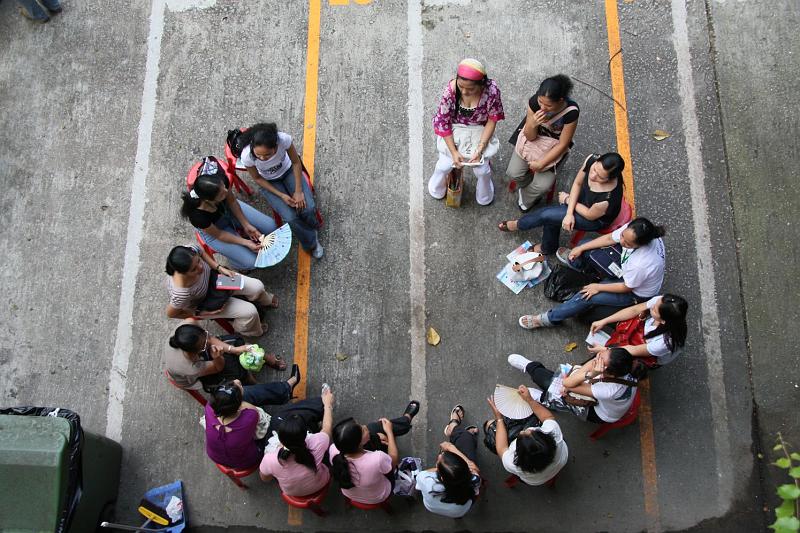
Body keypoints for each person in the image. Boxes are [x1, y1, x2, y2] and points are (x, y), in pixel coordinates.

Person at [519, 217, 666, 328]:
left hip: (634, 292)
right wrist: (581, 248)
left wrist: (598, 287)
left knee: (586, 295)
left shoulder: (642, 264)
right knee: (584, 246)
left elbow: (626, 287)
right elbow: (609, 238)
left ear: (640, 245)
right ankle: (588, 271)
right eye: (622, 236)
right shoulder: (635, 230)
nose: (621, 241)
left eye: (627, 243)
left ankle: (548, 319)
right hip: (629, 272)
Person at [498, 153, 625, 256]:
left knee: (547, 215)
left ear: (610, 179)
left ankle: (520, 225)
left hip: (594, 218)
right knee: (552, 217)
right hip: (584, 200)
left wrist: (568, 200)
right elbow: (577, 183)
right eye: (594, 169)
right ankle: (547, 247)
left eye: (600, 177)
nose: (592, 176)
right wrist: (569, 214)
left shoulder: (607, 199)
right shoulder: (592, 159)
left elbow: (589, 215)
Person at [428, 58, 505, 206]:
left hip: (480, 131)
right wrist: (453, 152)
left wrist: (480, 149)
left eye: (470, 89)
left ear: (481, 84)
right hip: (455, 129)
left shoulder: (491, 91)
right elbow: (443, 122)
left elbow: (492, 120)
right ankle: (437, 187)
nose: (464, 91)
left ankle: (484, 194)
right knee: (444, 165)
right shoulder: (450, 91)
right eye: (461, 86)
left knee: (482, 171)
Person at [241, 123, 324, 259]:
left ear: (275, 146)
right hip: (269, 182)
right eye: (258, 155)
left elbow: (296, 162)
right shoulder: (247, 156)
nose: (262, 158)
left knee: (308, 208)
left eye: (267, 155)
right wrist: (281, 195)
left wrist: (298, 191)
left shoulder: (283, 140)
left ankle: (312, 225)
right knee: (290, 218)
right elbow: (257, 178)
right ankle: (311, 242)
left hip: (289, 171)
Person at [181, 157, 277, 270]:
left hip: (228, 209)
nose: (226, 191)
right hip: (216, 231)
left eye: (224, 188)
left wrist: (246, 224)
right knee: (252, 262)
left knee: (271, 227)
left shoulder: (220, 182)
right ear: (208, 200)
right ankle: (238, 265)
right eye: (221, 195)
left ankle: (240, 237)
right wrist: (246, 242)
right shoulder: (198, 216)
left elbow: (232, 201)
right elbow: (219, 235)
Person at [164, 244, 277, 337]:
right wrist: (200, 313)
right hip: (208, 300)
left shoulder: (190, 250)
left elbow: (201, 252)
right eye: (194, 269)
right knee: (250, 312)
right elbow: (171, 314)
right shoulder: (181, 293)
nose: (200, 267)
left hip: (216, 279)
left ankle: (265, 301)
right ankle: (250, 330)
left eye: (198, 261)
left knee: (257, 286)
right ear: (182, 273)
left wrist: (219, 267)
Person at [508, 350, 647, 424]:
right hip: (608, 399)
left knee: (556, 388)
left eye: (600, 360)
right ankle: (532, 370)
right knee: (562, 383)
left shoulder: (608, 391)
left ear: (608, 372)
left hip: (599, 412)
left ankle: (541, 395)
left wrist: (591, 373)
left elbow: (567, 383)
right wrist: (586, 372)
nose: (597, 357)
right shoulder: (625, 365)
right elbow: (571, 381)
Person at [204, 372, 306, 469]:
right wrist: (241, 395)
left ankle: (285, 389)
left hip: (217, 457)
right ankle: (285, 389)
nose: (236, 381)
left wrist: (238, 397)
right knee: (276, 418)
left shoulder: (209, 407)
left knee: (245, 394)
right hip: (248, 460)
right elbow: (254, 410)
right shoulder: (249, 417)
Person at [508, 75, 579, 211]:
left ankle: (526, 196)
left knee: (542, 186)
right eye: (541, 102)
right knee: (513, 173)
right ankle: (528, 186)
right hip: (532, 140)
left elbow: (563, 144)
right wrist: (532, 124)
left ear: (560, 100)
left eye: (548, 105)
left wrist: (541, 164)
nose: (543, 107)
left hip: (552, 147)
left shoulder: (571, 112)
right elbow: (530, 137)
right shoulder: (534, 102)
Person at [329, 401, 420, 504]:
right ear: (359, 444)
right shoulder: (377, 459)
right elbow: (393, 461)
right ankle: (405, 420)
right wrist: (389, 433)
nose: (364, 426)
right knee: (378, 427)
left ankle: (404, 420)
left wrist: (375, 437)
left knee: (374, 428)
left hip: (354, 495)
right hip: (380, 494)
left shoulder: (333, 450)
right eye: (362, 430)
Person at [259, 384, 335, 496]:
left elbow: (265, 478)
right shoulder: (317, 443)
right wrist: (327, 404)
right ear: (306, 434)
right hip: (321, 482)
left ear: (280, 439)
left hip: (293, 493)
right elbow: (327, 427)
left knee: (275, 420)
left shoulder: (270, 459)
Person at [164, 322, 287, 392]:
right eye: (204, 344)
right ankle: (250, 380)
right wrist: (217, 357)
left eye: (205, 336)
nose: (208, 340)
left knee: (238, 342)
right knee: (237, 372)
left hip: (200, 355)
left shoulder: (188, 325)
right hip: (195, 377)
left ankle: (262, 357)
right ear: (197, 351)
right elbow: (218, 367)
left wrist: (233, 349)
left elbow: (209, 339)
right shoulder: (190, 367)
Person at [486, 387, 568, 486]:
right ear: (548, 438)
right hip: (560, 461)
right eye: (532, 432)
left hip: (536, 480)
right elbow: (548, 417)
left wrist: (499, 418)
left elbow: (502, 449)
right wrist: (530, 400)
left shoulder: (512, 463)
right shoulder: (554, 434)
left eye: (520, 436)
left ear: (519, 453)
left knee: (489, 424)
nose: (522, 431)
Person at [415, 405, 481, 518]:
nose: (440, 456)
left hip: (434, 508)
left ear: (442, 477)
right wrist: (452, 449)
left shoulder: (427, 481)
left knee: (464, 439)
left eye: (438, 463)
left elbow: (424, 475)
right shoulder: (473, 480)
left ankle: (454, 429)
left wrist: (448, 451)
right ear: (465, 468)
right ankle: (456, 430)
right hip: (461, 510)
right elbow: (474, 467)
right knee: (466, 439)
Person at [589, 294, 688, 367]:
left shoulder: (664, 342)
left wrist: (606, 350)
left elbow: (634, 351)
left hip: (648, 354)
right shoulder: (661, 302)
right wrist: (604, 321)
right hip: (641, 340)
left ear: (663, 321)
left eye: (654, 310)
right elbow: (635, 310)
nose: (652, 306)